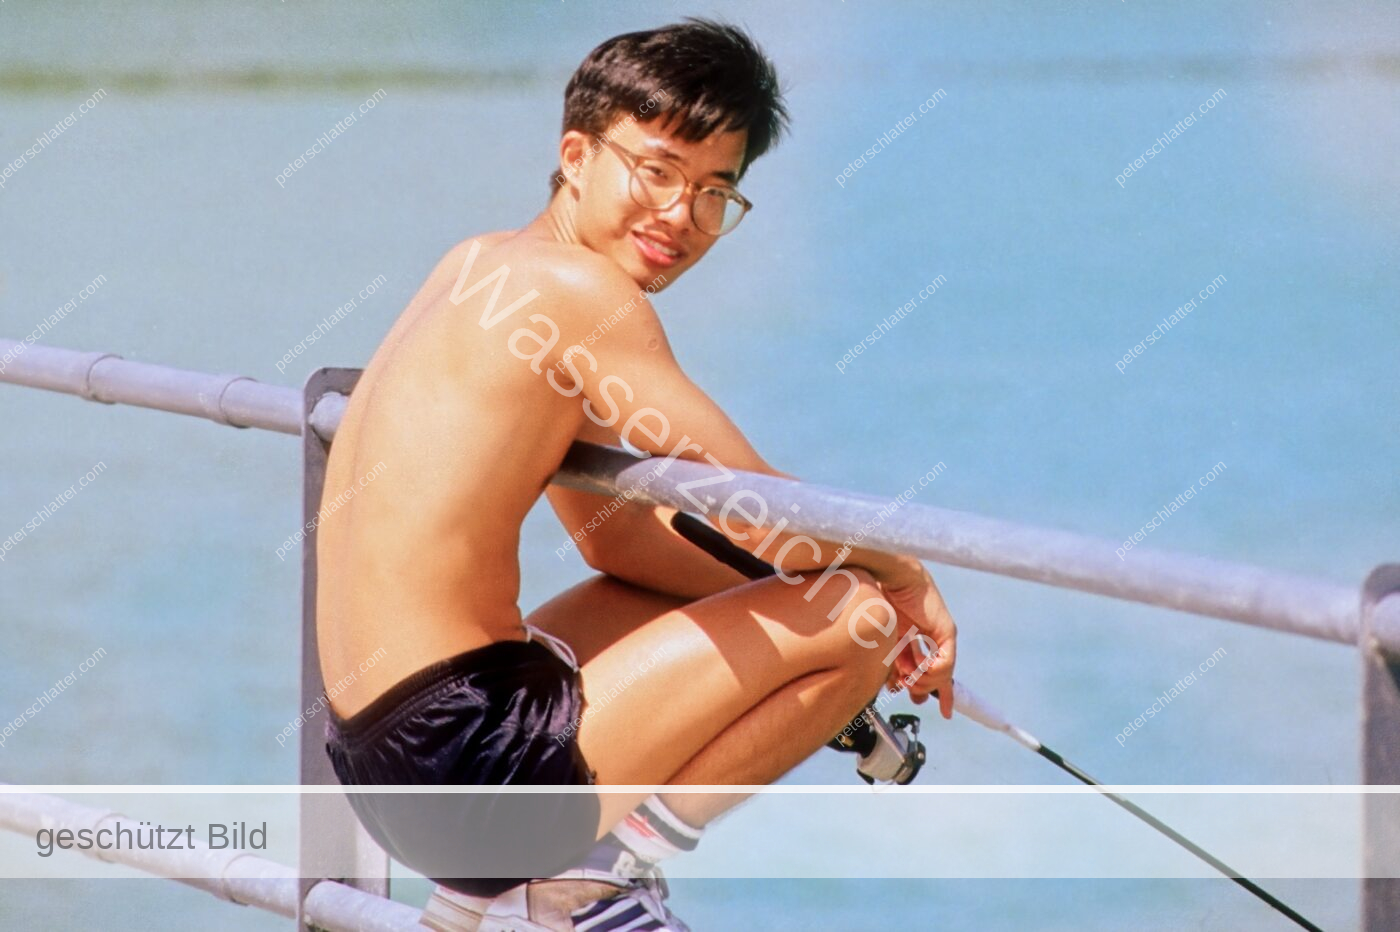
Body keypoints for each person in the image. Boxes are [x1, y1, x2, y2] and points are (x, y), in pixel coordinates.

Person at [315, 18, 958, 932]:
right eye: (657, 171)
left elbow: (617, 540)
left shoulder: (479, 264)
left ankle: (482, 895)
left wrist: (792, 625)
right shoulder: (582, 295)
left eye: (714, 192)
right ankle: (590, 883)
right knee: (855, 618)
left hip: (375, 759)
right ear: (576, 155)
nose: (680, 216)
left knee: (771, 597)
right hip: (466, 761)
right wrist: (902, 579)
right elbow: (762, 511)